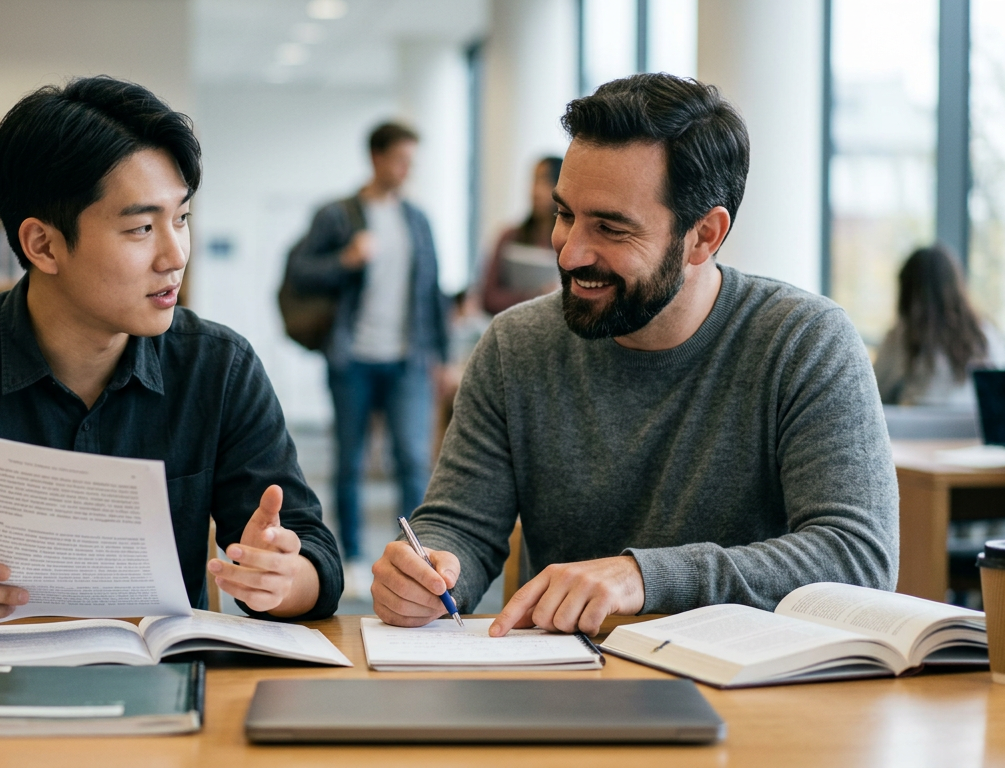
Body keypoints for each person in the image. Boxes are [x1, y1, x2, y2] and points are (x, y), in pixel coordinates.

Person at [0, 77, 341, 641]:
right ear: (43, 245)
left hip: (161, 678)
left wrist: (283, 579)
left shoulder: (219, 367)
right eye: (141, 228)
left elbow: (315, 558)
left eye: (182, 218)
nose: (174, 255)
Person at [370, 73, 899, 637]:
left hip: (750, 679)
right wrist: (429, 570)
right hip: (568, 678)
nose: (570, 253)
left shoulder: (804, 341)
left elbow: (857, 558)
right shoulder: (515, 345)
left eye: (611, 228)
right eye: (565, 215)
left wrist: (641, 578)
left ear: (704, 235)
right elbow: (460, 526)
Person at [285, 122, 448, 596]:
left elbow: (432, 291)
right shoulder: (338, 215)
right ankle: (353, 556)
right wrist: (345, 261)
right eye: (400, 160)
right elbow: (299, 270)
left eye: (411, 162)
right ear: (376, 158)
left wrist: (438, 356)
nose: (407, 170)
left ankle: (414, 554)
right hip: (351, 358)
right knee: (350, 459)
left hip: (407, 359)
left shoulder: (417, 220)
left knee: (413, 460)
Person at [874, 244, 1005, 408]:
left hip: (915, 422)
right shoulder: (985, 335)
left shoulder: (902, 337)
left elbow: (873, 391)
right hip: (970, 423)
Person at [479, 156, 564, 315]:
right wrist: (536, 295)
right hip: (513, 324)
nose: (535, 191)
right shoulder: (509, 237)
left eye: (545, 181)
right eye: (535, 180)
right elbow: (488, 298)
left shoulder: (568, 243)